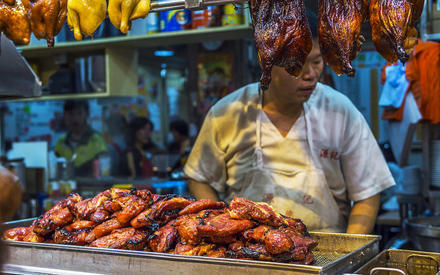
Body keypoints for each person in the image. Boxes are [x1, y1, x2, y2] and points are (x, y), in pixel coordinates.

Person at [184, 12, 395, 234]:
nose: (311, 74)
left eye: (317, 61)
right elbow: (199, 177)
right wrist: (221, 228)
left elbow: (368, 192)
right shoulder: (228, 113)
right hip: (249, 257)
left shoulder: (340, 111)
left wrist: (349, 256)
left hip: (328, 258)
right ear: (266, 60)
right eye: (298, 65)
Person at [54, 100, 108, 177]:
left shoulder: (96, 140)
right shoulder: (62, 141)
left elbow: (105, 170)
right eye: (70, 114)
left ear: (87, 114)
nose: (75, 118)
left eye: (79, 113)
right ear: (65, 116)